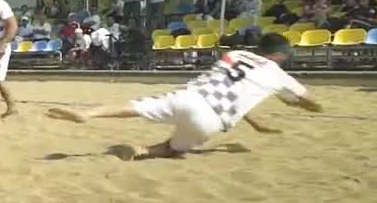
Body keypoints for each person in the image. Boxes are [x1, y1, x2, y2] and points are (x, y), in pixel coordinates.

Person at [48, 33, 323, 160]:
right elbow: (304, 99)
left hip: (189, 96)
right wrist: (314, 107)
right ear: (278, 55)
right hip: (213, 119)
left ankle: (88, 114)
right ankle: (144, 150)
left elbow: (234, 89)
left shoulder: (236, 54)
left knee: (133, 107)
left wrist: (256, 123)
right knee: (174, 150)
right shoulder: (277, 73)